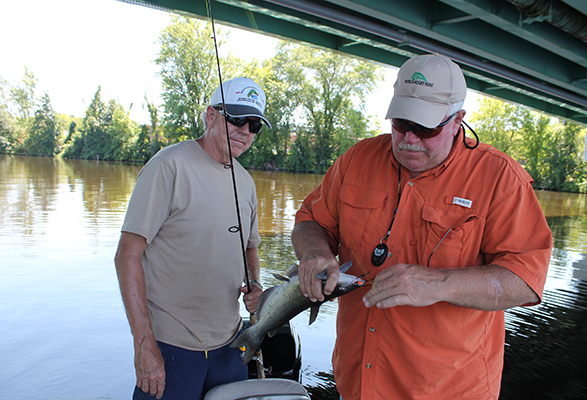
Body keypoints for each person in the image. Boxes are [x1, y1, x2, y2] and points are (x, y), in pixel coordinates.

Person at [292, 54, 553, 399]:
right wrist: (314, 252)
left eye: (426, 128)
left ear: (458, 119)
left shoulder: (501, 179)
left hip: (449, 390)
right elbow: (311, 220)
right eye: (401, 123)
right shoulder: (356, 160)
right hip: (356, 383)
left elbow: (526, 280)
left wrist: (439, 284)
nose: (409, 139)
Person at [114, 77, 271, 400]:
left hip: (230, 346)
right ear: (210, 116)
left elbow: (250, 246)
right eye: (237, 119)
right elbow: (127, 255)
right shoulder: (168, 166)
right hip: (172, 348)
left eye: (254, 125)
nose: (245, 131)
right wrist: (143, 343)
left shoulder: (246, 182)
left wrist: (254, 283)